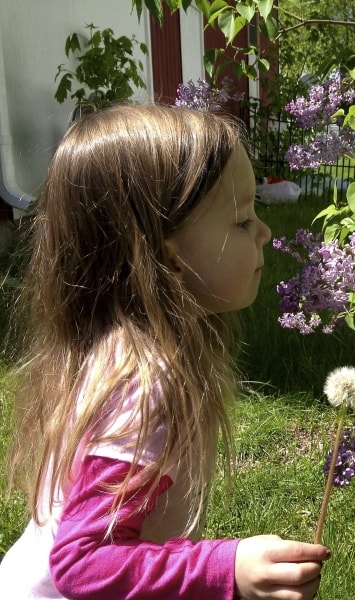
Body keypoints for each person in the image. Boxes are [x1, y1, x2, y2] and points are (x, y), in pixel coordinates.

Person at [0, 104, 330, 599]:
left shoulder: (138, 345)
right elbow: (82, 562)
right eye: (242, 221)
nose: (264, 232)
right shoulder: (143, 382)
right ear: (169, 261)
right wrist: (229, 568)